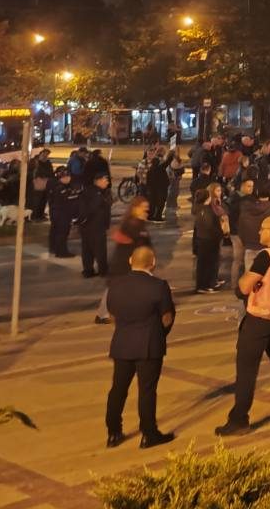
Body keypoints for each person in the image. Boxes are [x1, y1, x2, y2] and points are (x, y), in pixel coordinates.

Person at [215, 213, 270, 436]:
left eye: (263, 228)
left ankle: (239, 419)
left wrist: (243, 283)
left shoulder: (267, 255)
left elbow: (244, 286)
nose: (259, 232)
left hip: (261, 316)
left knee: (247, 369)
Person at [104, 244, 175, 449]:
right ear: (153, 263)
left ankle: (113, 432)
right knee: (147, 391)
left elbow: (112, 315)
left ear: (130, 261)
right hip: (149, 345)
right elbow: (167, 317)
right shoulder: (159, 286)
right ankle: (148, 433)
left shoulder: (115, 285)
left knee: (118, 389)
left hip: (122, 343)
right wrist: (160, 334)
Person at [96, 197, 152, 323]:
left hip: (134, 261)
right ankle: (102, 314)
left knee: (134, 286)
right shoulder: (131, 223)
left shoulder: (139, 223)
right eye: (143, 207)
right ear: (135, 208)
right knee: (114, 287)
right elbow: (126, 239)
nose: (146, 209)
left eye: (146, 207)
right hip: (123, 262)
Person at [78, 171, 113, 279]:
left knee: (87, 249)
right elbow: (91, 209)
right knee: (99, 249)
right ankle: (103, 270)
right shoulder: (95, 193)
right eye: (105, 180)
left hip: (90, 226)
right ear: (98, 181)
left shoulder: (101, 192)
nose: (107, 182)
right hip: (94, 226)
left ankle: (88, 271)